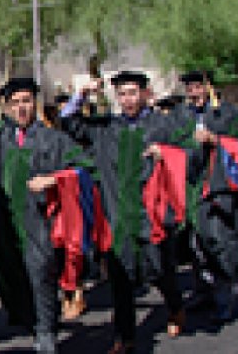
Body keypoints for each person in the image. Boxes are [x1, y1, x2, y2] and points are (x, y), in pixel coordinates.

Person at [0, 75, 95, 354]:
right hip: (6, 223)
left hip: (39, 222)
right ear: (8, 107)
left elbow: (84, 167)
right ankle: (31, 321)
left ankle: (47, 331)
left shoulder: (53, 138)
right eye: (15, 103)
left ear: (34, 103)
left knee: (41, 275)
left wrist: (54, 179)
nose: (21, 108)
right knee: (12, 275)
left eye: (26, 101)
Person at [60, 71, 186, 353]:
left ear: (144, 93)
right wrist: (81, 94)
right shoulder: (106, 128)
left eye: (132, 93)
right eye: (122, 94)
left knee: (159, 270)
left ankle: (175, 305)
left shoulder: (161, 125)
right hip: (117, 218)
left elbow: (187, 151)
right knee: (121, 280)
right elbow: (68, 122)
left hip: (150, 217)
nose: (127, 99)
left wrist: (163, 152)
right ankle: (124, 337)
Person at [170, 70, 238, 323]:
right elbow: (171, 141)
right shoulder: (180, 115)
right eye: (190, 87)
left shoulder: (226, 113)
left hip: (218, 188)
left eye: (197, 86)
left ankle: (225, 296)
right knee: (195, 245)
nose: (193, 92)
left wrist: (216, 140)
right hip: (190, 188)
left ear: (209, 87)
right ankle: (203, 290)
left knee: (220, 243)